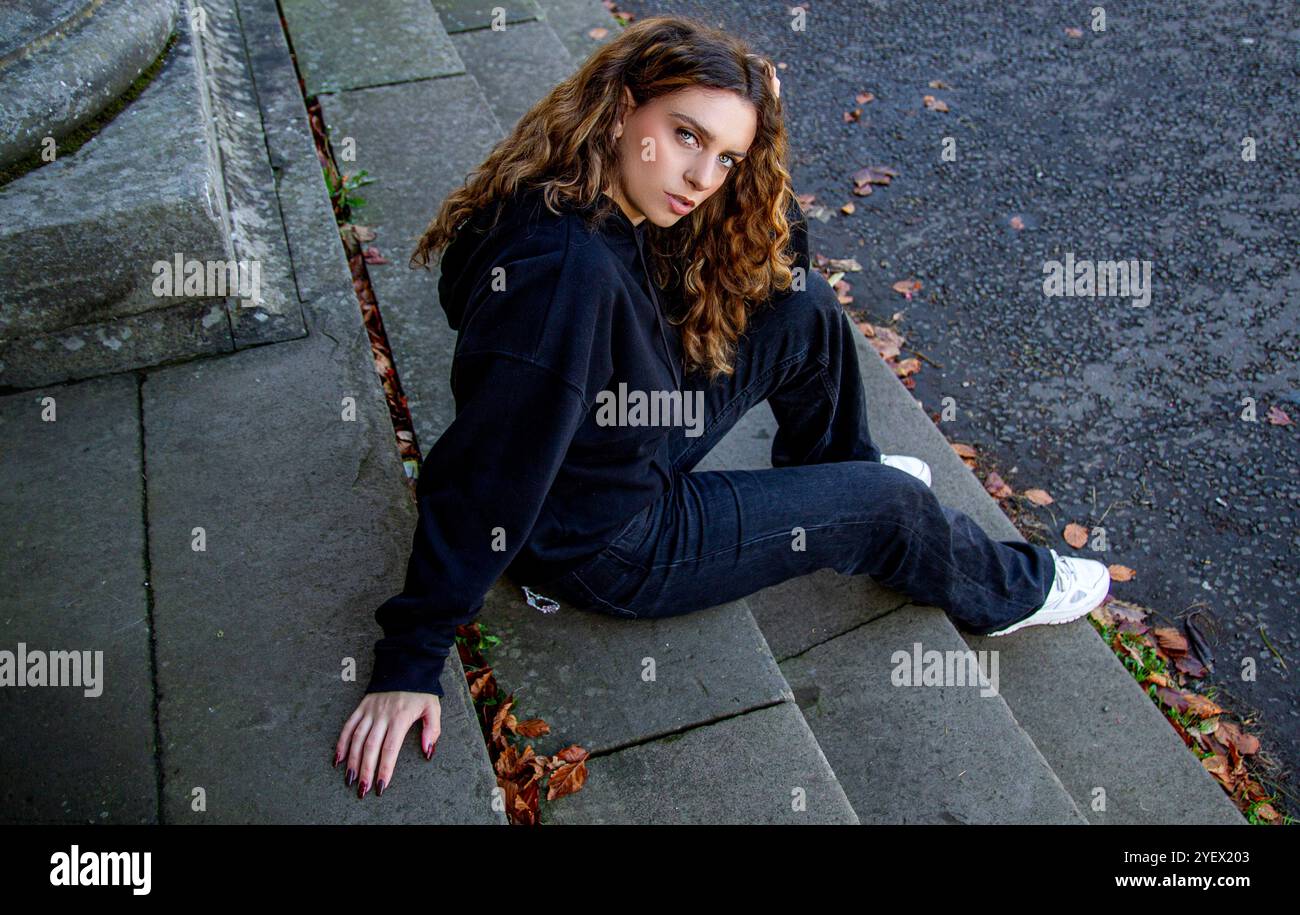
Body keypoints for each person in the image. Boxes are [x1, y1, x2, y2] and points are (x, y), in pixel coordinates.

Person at [333, 16, 1110, 800]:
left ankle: (831, 476)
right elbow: (485, 472)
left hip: (620, 431)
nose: (705, 177)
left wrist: (757, 141)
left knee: (803, 310)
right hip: (611, 537)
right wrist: (411, 656)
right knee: (894, 507)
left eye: (728, 156)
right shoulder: (565, 278)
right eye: (685, 135)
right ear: (622, 105)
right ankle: (1011, 588)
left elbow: (775, 261)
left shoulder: (582, 182)